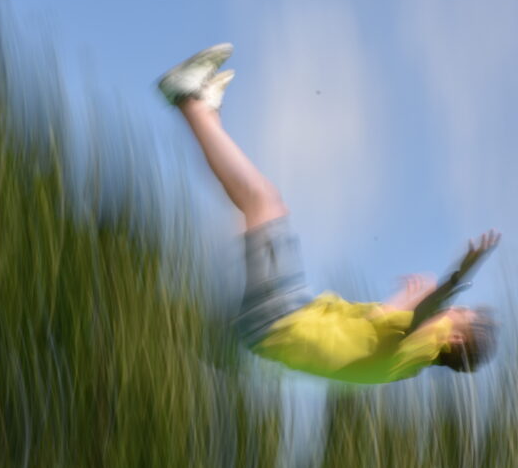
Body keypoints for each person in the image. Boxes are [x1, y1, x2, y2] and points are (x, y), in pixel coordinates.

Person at [158, 43, 501, 384]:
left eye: (462, 313)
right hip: (282, 321)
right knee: (251, 213)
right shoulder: (404, 360)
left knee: (264, 202)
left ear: (456, 339)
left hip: (281, 318)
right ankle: (205, 111)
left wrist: (457, 278)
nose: (454, 309)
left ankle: (189, 98)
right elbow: (377, 327)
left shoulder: (424, 347)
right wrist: (404, 300)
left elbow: (418, 319)